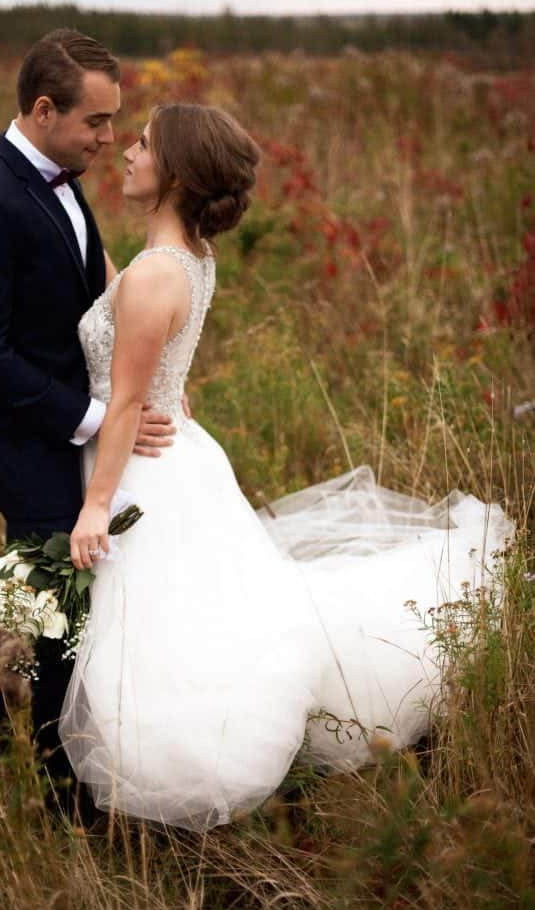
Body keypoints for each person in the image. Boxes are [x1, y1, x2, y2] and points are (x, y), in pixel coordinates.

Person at [57, 102, 514, 832]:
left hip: (142, 465)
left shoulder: (154, 277)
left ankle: (179, 762)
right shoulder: (184, 262)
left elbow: (125, 403)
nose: (127, 154)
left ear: (174, 171)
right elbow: (131, 321)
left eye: (141, 145)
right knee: (194, 614)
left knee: (161, 624)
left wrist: (94, 506)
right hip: (179, 450)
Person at [0, 29, 177, 821]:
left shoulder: (64, 181)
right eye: (96, 122)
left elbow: (93, 296)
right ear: (44, 110)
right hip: (29, 446)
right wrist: (95, 418)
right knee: (53, 633)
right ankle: (62, 803)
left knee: (52, 615)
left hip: (76, 442)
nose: (110, 139)